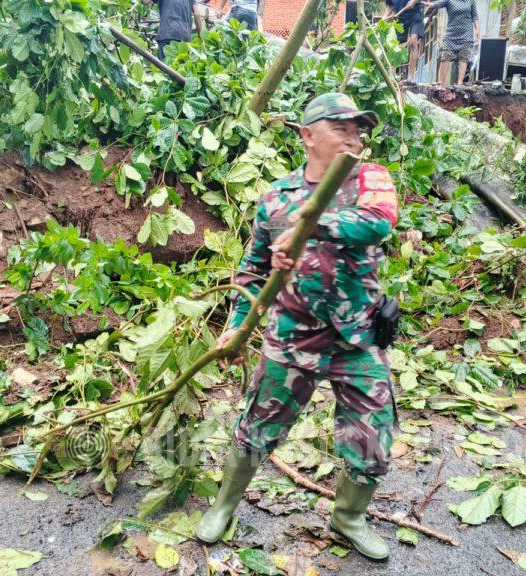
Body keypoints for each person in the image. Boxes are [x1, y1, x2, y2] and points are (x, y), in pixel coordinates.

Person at [195, 93, 399, 561]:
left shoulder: (370, 178)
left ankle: (349, 518)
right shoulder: (275, 198)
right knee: (257, 428)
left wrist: (310, 225)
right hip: (291, 335)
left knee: (372, 434)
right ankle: (224, 506)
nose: (355, 137)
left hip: (357, 338)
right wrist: (236, 324)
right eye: (341, 128)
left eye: (358, 130)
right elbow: (250, 272)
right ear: (307, 136)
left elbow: (377, 222)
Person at [425, 0, 479, 85]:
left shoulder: (471, 1)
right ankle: (440, 83)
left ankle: (459, 84)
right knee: (445, 56)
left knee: (464, 57)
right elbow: (438, 4)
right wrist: (428, 4)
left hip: (466, 33)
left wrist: (477, 30)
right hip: (451, 33)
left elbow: (475, 16)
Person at [383, 0, 426, 82]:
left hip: (415, 16)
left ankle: (411, 77)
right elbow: (389, 7)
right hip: (400, 19)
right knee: (395, 46)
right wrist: (382, 21)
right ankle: (392, 76)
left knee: (413, 41)